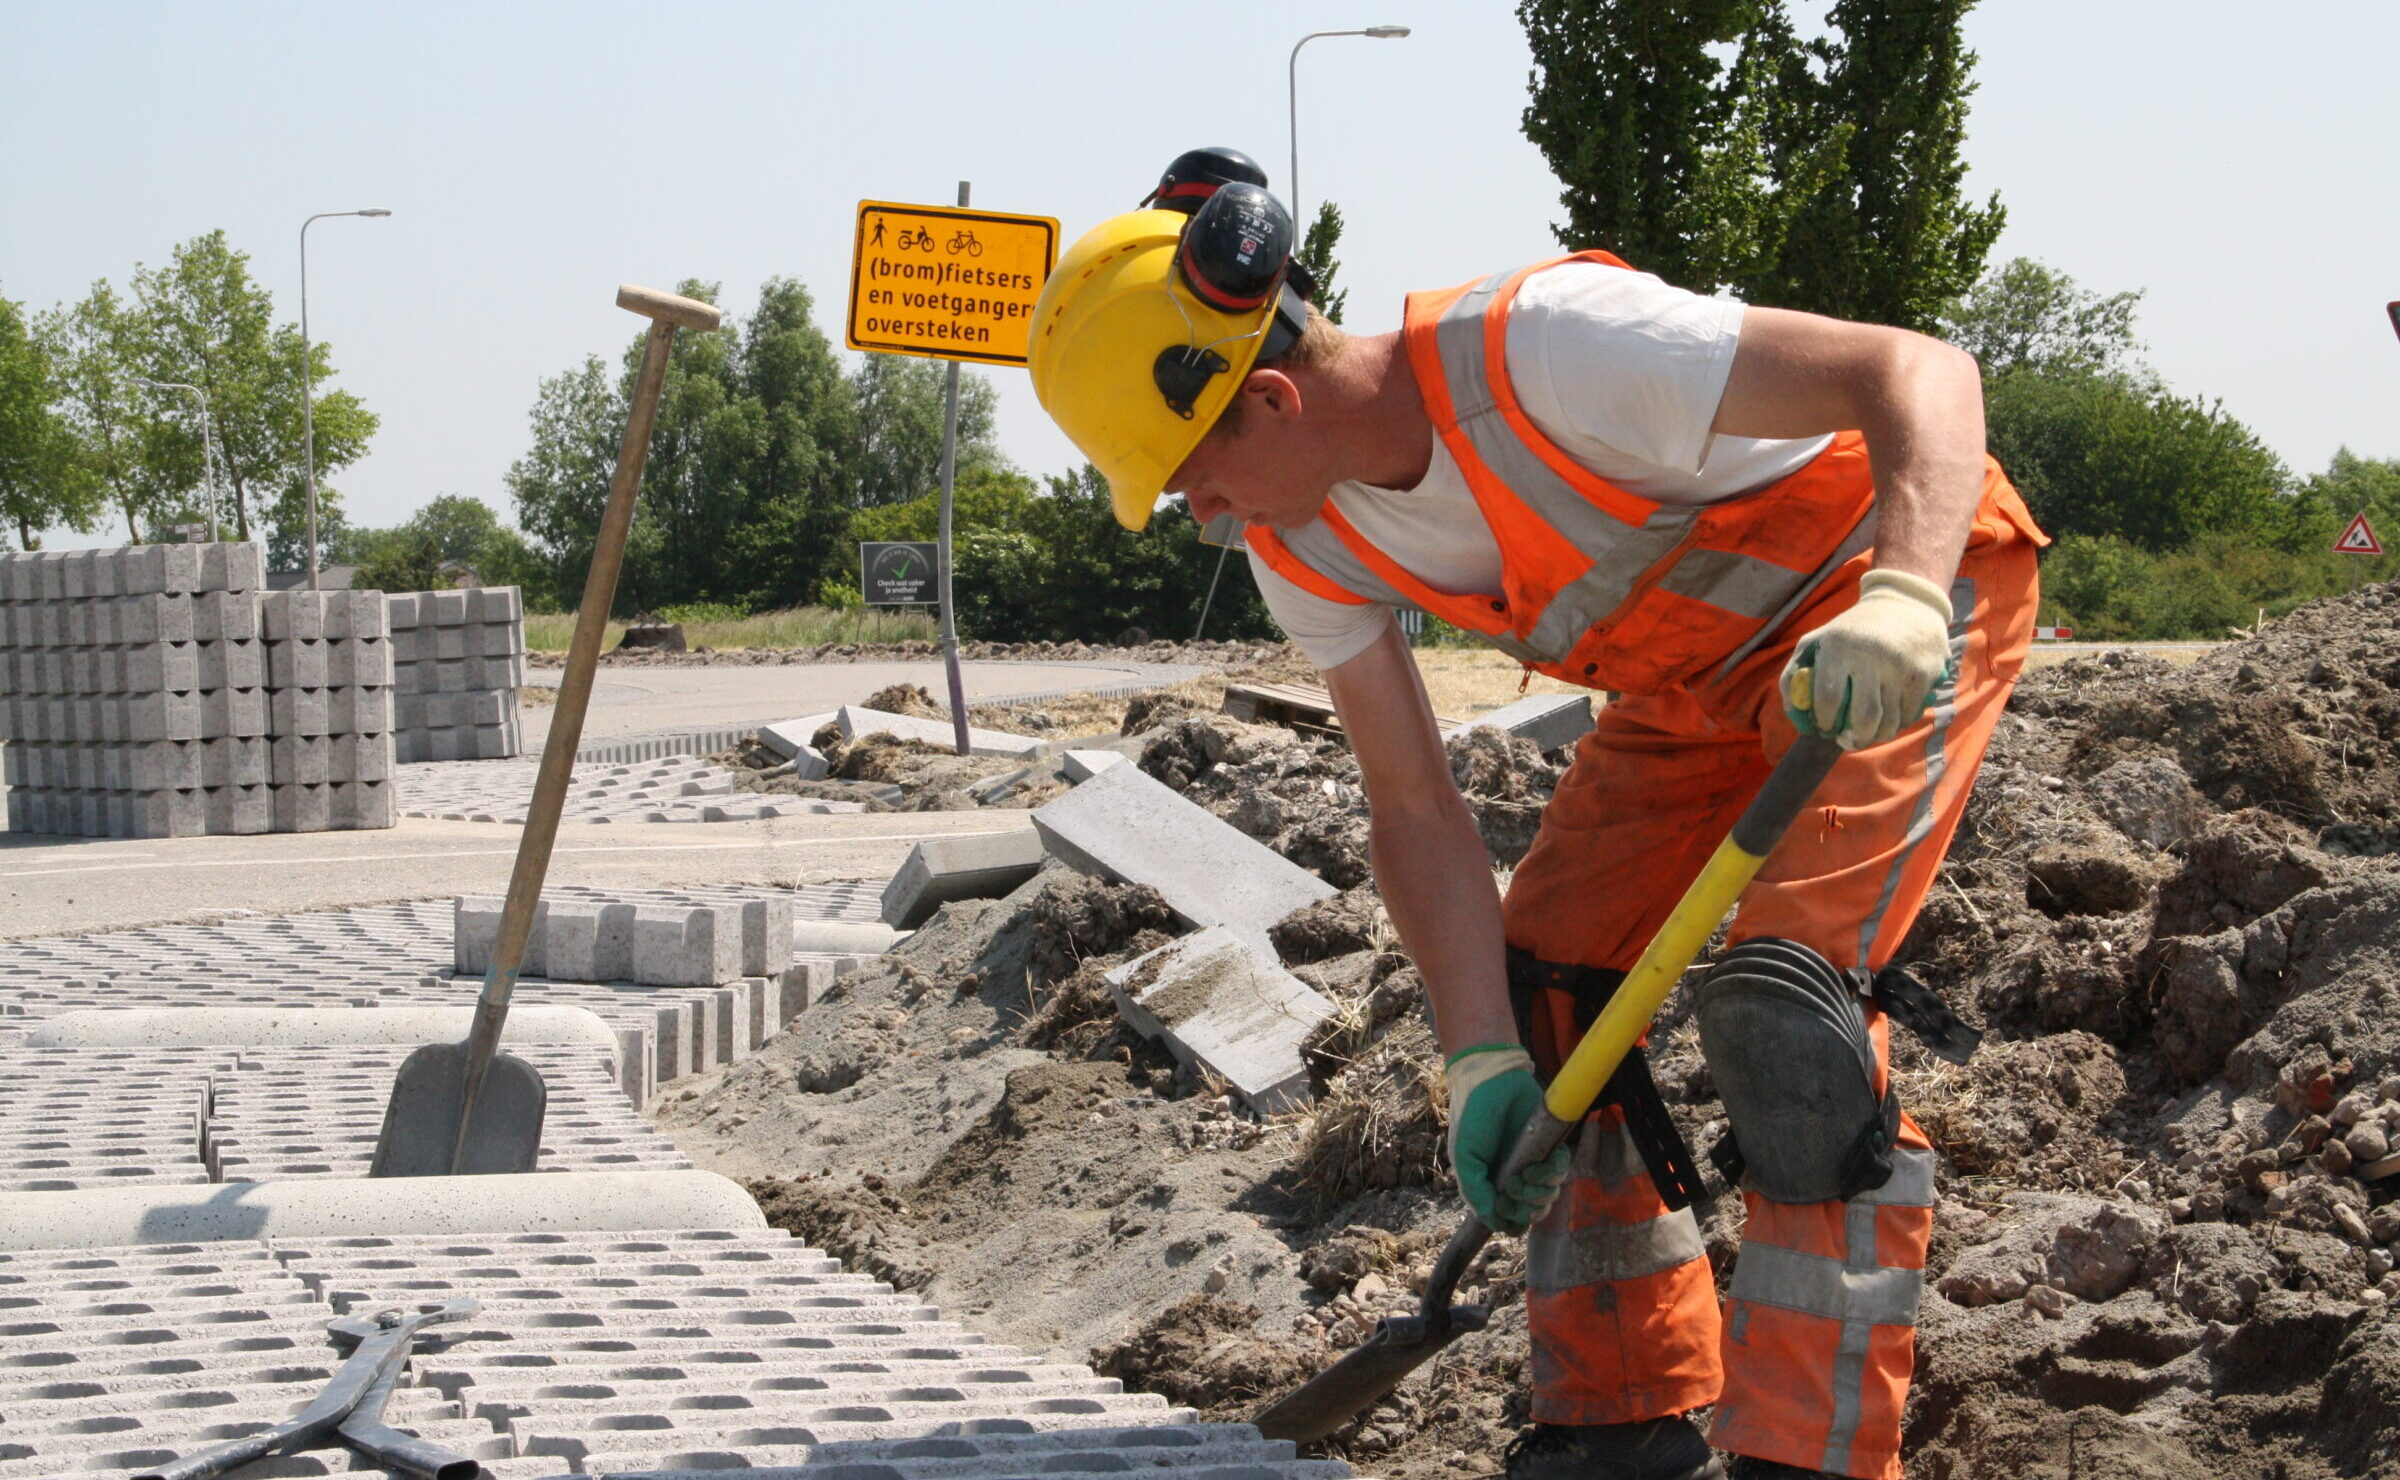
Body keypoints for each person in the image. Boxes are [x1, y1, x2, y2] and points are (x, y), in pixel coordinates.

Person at [1026, 168, 2041, 1480]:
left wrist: (1904, 591)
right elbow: (1412, 805)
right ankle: (1626, 1415)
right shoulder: (1306, 545)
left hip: (1889, 616)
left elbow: (1921, 372)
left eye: (1187, 485)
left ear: (1267, 398)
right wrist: (1479, 1062)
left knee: (1792, 1020)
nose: (1202, 520)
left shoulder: (1547, 351)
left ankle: (1811, 1454)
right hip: (1699, 690)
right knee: (1544, 986)